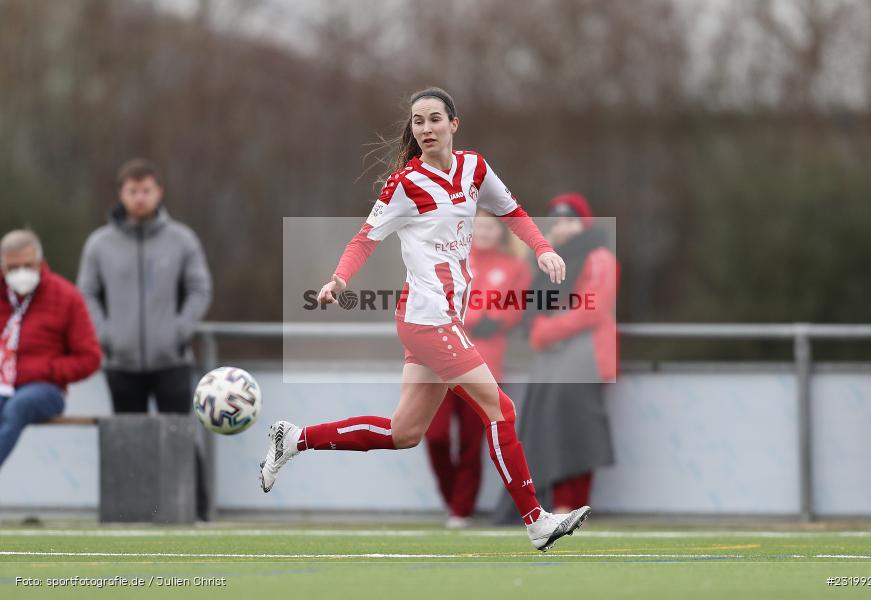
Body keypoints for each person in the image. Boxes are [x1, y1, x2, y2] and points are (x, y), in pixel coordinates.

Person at [260, 87, 590, 551]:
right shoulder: (405, 183)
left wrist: (544, 248)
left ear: (454, 124)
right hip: (427, 318)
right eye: (418, 121)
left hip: (440, 318)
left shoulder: (474, 168)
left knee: (404, 433)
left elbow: (513, 212)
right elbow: (364, 239)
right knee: (502, 409)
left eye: (435, 119)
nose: (426, 128)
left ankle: (294, 438)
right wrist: (338, 279)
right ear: (412, 130)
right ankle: (535, 520)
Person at [494, 193, 618, 522]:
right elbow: (529, 299)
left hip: (585, 359)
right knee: (553, 431)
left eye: (570, 220)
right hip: (555, 360)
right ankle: (560, 506)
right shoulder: (552, 261)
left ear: (584, 223)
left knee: (578, 434)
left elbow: (593, 308)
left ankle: (572, 506)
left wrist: (545, 331)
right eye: (557, 222)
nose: (563, 228)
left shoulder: (599, 257)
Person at [77, 158, 212, 413]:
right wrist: (106, 336)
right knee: (130, 445)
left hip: (172, 361)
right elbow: (86, 294)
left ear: (159, 192)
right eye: (133, 191)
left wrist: (179, 331)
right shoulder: (99, 244)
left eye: (146, 191)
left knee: (177, 441)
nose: (140, 198)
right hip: (121, 363)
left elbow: (200, 289)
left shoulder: (182, 240)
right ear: (121, 194)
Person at [424, 210, 531, 528]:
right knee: (435, 435)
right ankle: (451, 497)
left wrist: (487, 321)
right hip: (440, 362)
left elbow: (512, 312)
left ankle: (461, 509)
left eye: (490, 227)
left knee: (472, 440)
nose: (484, 232)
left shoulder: (514, 268)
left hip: (483, 365)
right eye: (478, 226)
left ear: (501, 233)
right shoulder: (449, 260)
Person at [0, 229, 101, 467]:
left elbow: (90, 357)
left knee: (19, 407)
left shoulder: (65, 296)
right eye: (13, 268)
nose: (21, 273)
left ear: (41, 263)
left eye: (28, 265)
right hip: (3, 386)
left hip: (44, 388)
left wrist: (49, 369)